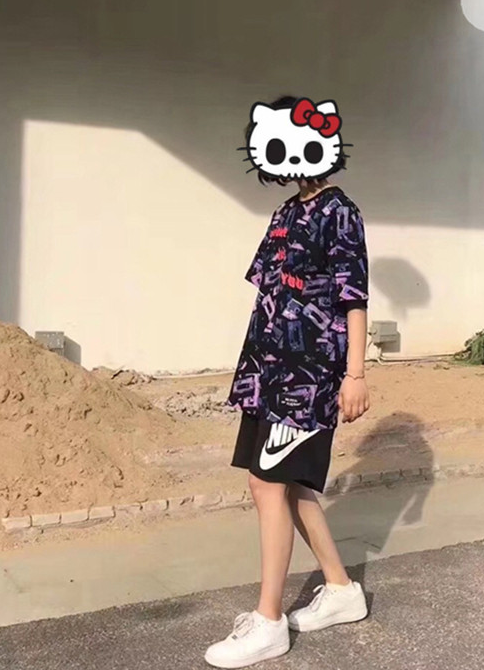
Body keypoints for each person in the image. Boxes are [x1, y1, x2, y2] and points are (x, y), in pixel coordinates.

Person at [205, 96, 371, 669]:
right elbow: (269, 290)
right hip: (269, 369)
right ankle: (342, 590)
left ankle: (269, 621)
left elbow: (353, 297)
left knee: (267, 484)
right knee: (291, 485)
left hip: (311, 374)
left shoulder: (340, 212)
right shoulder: (285, 212)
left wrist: (355, 374)